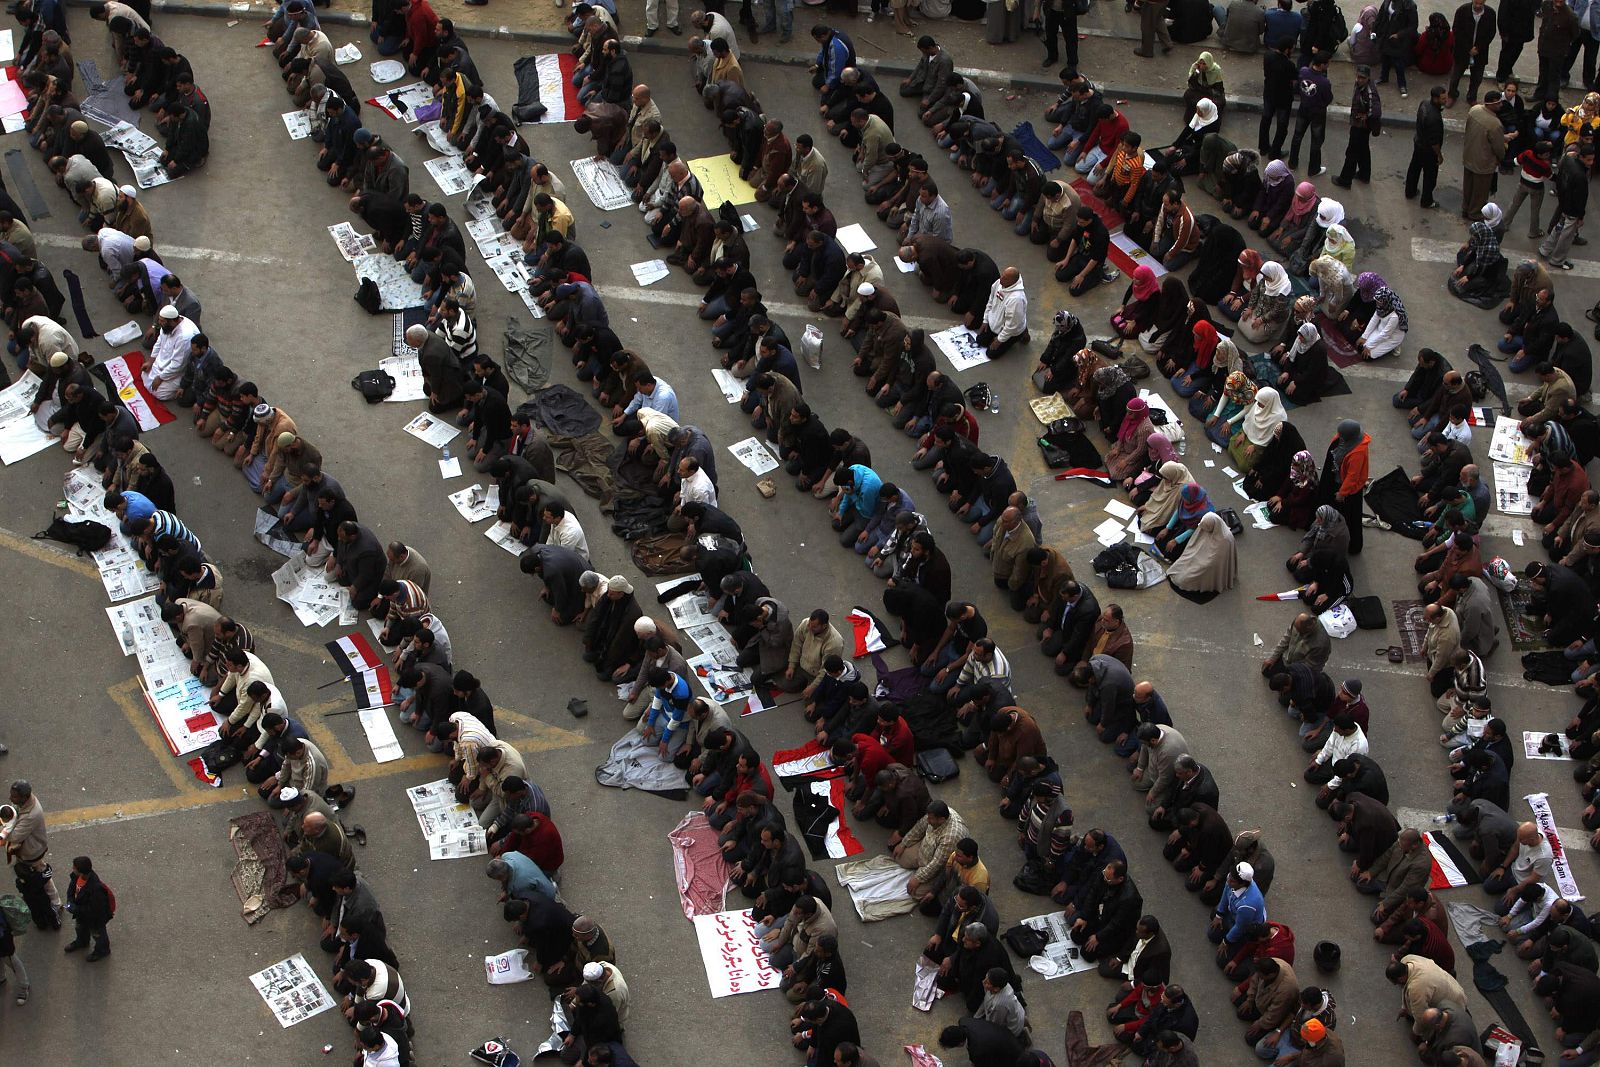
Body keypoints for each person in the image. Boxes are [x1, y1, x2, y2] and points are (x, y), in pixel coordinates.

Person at [63, 856, 112, 961]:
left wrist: (74, 909)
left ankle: (102, 951)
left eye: (74, 868)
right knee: (80, 928)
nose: (72, 869)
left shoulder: (96, 889)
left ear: (81, 872)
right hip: (81, 914)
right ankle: (82, 941)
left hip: (95, 919)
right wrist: (70, 900)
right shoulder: (77, 877)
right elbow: (71, 888)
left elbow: (94, 910)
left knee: (98, 934)